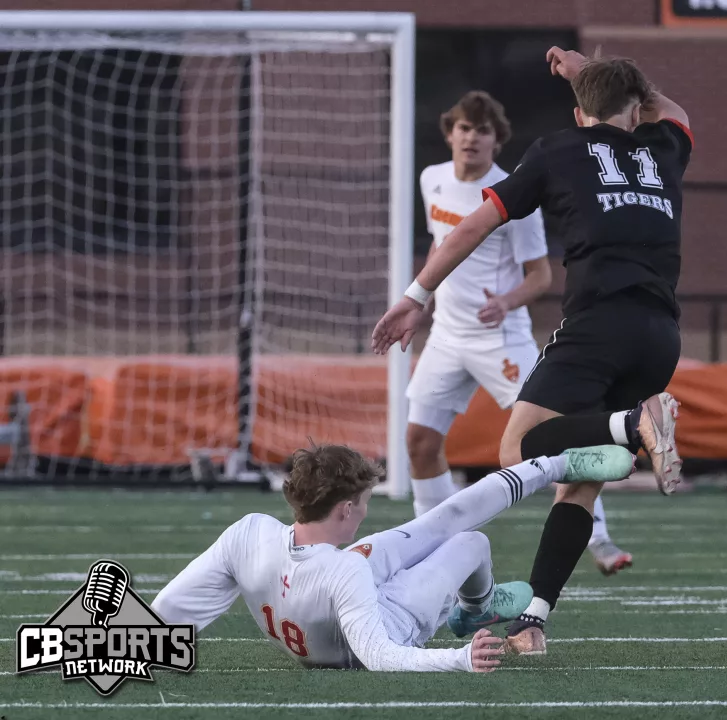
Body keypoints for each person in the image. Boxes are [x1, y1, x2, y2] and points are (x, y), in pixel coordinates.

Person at [372, 47, 693, 656]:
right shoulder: (665, 146)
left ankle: (633, 425)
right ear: (635, 113)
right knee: (581, 481)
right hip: (659, 337)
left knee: (517, 451)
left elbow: (473, 225)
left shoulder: (557, 149)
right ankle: (533, 621)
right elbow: (667, 107)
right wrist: (590, 71)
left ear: (578, 114)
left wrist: (416, 296)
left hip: (596, 326)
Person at [151, 442, 636, 672]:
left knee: (441, 522)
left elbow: (171, 609)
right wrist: (459, 658)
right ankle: (476, 610)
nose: (366, 510)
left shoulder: (250, 533)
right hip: (381, 625)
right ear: (346, 509)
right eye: (364, 501)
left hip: (322, 599)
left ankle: (556, 463)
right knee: (469, 543)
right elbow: (380, 655)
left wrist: (120, 644)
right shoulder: (343, 570)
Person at [409, 90, 633, 576]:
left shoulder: (512, 193)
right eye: (464, 128)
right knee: (419, 442)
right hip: (446, 337)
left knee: (545, 440)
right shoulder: (432, 179)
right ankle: (430, 545)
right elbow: (442, 247)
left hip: (501, 340)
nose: (471, 138)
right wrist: (422, 303)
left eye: (482, 130)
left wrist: (505, 302)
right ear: (449, 133)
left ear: (497, 141)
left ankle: (599, 538)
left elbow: (540, 276)